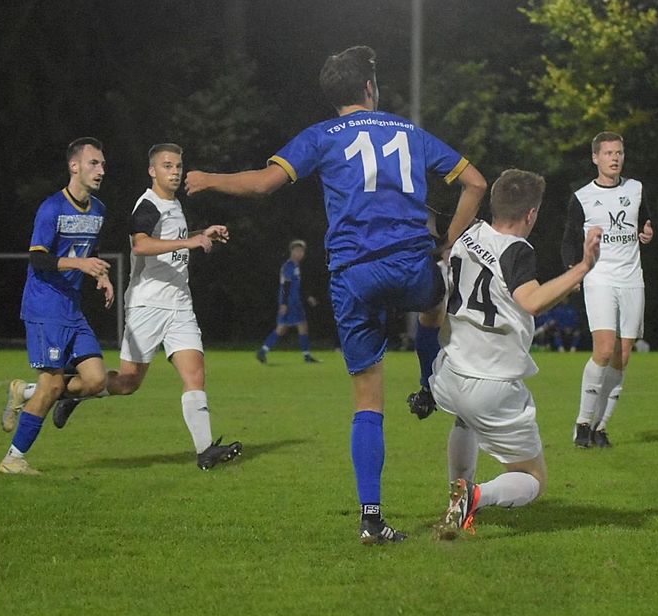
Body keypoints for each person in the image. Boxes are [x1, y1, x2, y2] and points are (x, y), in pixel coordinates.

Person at [185, 45, 487, 544]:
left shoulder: (321, 136)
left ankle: (371, 518)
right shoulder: (409, 131)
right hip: (412, 263)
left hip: (354, 275)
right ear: (370, 89)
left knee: (368, 400)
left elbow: (263, 185)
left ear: (333, 97)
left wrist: (208, 179)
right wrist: (450, 239)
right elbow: (475, 183)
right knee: (434, 304)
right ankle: (431, 386)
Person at [48, 143, 243, 470]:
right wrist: (189, 241)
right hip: (148, 305)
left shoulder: (175, 204)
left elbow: (171, 239)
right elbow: (140, 245)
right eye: (168, 166)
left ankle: (205, 451)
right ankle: (70, 393)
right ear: (153, 171)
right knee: (127, 383)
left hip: (179, 303)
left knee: (195, 373)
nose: (176, 172)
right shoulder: (147, 205)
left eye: (179, 166)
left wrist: (200, 232)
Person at [433, 169, 601, 538]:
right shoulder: (517, 250)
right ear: (531, 214)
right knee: (532, 478)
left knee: (464, 421)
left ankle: (455, 499)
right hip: (492, 384)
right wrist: (583, 268)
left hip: (450, 371)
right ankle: (475, 496)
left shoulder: (469, 231)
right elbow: (533, 300)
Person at [0, 137, 114, 475]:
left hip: (72, 309)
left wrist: (100, 276)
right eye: (94, 163)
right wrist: (80, 266)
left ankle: (25, 391)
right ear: (74, 166)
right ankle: (13, 458)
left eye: (103, 164)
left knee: (94, 380)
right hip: (45, 307)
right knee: (53, 385)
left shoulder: (99, 211)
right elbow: (38, 259)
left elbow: (86, 253)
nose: (101, 170)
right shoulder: (52, 208)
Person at [560, 131, 654, 448]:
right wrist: (573, 273)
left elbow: (644, 218)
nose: (615, 158)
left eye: (619, 153)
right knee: (603, 349)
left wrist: (647, 230)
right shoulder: (582, 197)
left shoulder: (636, 189)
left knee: (622, 356)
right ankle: (582, 423)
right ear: (595, 158)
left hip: (632, 279)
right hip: (599, 278)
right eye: (609, 153)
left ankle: (600, 428)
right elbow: (569, 240)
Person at [256, 239, 320, 364]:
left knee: (299, 326)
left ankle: (306, 356)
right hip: (290, 302)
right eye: (297, 251)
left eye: (302, 251)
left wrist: (307, 297)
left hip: (295, 302)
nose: (300, 253)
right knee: (284, 328)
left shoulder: (295, 266)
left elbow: (297, 286)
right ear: (292, 251)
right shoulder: (289, 265)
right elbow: (286, 285)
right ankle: (263, 351)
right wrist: (284, 303)